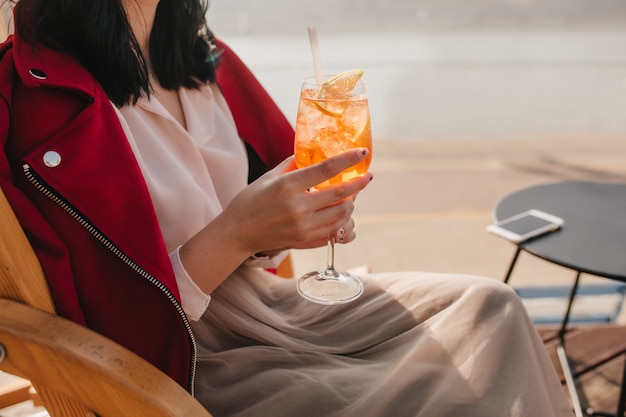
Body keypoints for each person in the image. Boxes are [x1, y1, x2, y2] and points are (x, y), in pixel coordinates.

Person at [0, 0, 574, 416]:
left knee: (491, 308)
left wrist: (296, 222)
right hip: (180, 362)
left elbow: (277, 181)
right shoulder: (30, 94)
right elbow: (98, 319)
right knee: (445, 386)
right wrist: (238, 233)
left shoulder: (204, 60)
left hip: (271, 304)